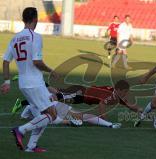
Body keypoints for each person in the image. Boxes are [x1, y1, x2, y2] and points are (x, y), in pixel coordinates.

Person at [0, 7, 61, 152]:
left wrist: (7, 82)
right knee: (52, 115)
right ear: (35, 19)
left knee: (44, 114)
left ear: (23, 19)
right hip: (34, 83)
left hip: (24, 83)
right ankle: (21, 130)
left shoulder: (14, 38)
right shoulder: (36, 36)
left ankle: (31, 146)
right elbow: (37, 62)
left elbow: (5, 61)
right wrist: (52, 71)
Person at [12, 80, 143, 120]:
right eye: (125, 91)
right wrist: (105, 119)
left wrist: (140, 110)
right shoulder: (109, 94)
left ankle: (37, 88)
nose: (126, 94)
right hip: (80, 93)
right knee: (54, 96)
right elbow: (102, 105)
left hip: (81, 97)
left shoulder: (117, 95)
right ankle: (38, 83)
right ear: (119, 90)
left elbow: (129, 105)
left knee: (54, 95)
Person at [20, 101, 122, 129]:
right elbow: (43, 120)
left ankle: (110, 125)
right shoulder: (31, 107)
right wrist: (69, 122)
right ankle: (110, 125)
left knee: (80, 116)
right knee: (76, 117)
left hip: (55, 106)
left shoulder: (41, 100)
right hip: (51, 110)